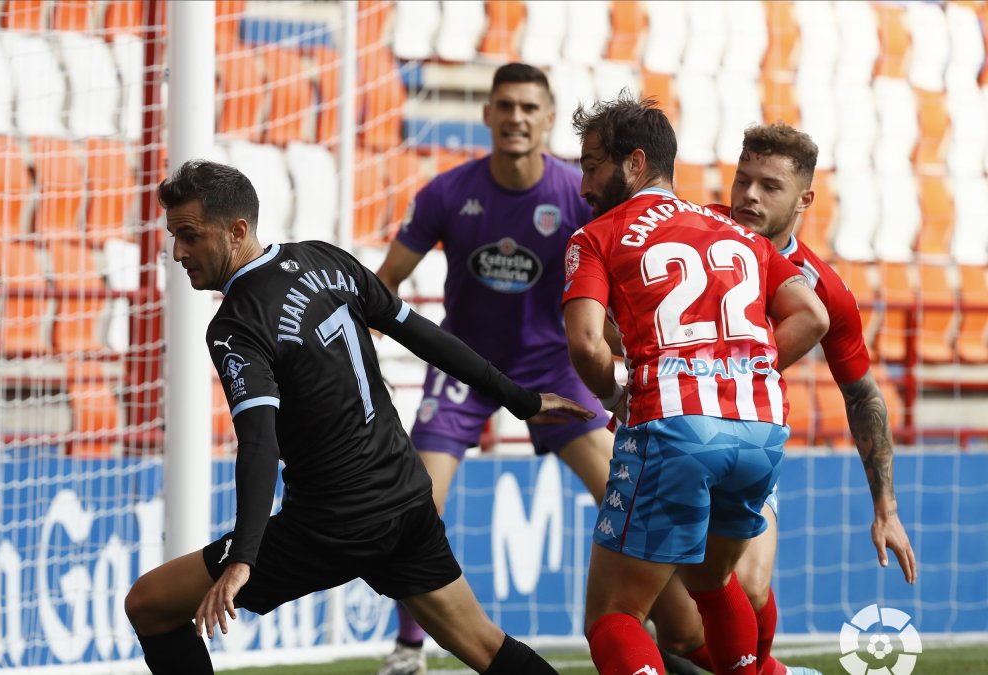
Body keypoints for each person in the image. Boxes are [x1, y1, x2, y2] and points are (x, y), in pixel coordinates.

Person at [124, 159, 594, 675]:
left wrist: (244, 555)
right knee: (485, 646)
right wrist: (519, 398)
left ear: (237, 230)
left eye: (189, 236)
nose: (178, 252)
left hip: (333, 523)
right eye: (174, 237)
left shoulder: (236, 326)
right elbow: (422, 333)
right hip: (405, 496)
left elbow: (259, 442)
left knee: (147, 604)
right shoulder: (326, 260)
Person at [562, 93, 830, 675]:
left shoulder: (597, 237)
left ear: (634, 164)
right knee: (713, 580)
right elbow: (812, 314)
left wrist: (616, 397)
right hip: (761, 429)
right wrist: (744, 372)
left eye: (590, 166)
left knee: (615, 615)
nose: (582, 185)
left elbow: (585, 343)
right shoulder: (734, 230)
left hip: (675, 426)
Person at [645, 123, 917, 675]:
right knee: (674, 627)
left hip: (746, 439)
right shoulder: (690, 229)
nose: (748, 195)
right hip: (661, 432)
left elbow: (861, 394)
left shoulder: (822, 288)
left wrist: (884, 506)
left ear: (805, 199)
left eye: (769, 186)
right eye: (743, 180)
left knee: (746, 581)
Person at [375, 62, 612, 675]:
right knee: (416, 507)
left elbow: (610, 293)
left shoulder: (575, 197)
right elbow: (385, 286)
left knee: (628, 497)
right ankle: (408, 647)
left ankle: (653, 632)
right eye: (505, 106)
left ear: (549, 119)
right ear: (487, 115)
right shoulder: (446, 193)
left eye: (529, 108)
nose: (516, 118)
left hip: (552, 370)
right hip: (464, 367)